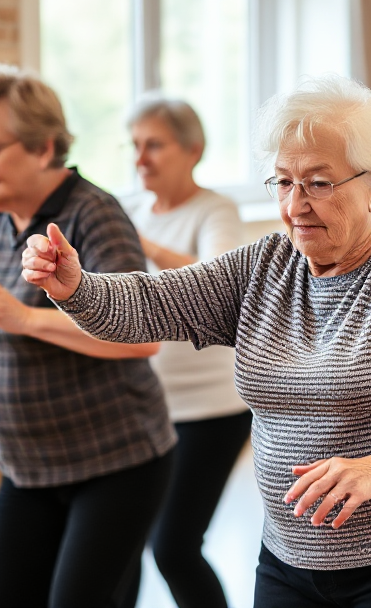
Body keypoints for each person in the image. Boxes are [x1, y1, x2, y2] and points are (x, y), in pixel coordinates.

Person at [21, 74, 371, 608]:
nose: (296, 205)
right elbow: (148, 306)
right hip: (289, 558)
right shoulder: (264, 264)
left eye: (318, 183)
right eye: (282, 182)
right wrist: (75, 286)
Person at [0, 64, 175, 608]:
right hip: (27, 465)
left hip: (115, 463)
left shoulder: (92, 214)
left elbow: (142, 336)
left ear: (42, 148)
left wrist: (25, 317)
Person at [121, 95, 251, 608]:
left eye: (154, 145)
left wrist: (144, 244)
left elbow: (217, 282)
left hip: (211, 410)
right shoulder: (129, 210)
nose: (140, 159)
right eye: (134, 146)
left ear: (192, 149)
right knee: (123, 547)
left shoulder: (216, 209)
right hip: (140, 409)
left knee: (173, 548)